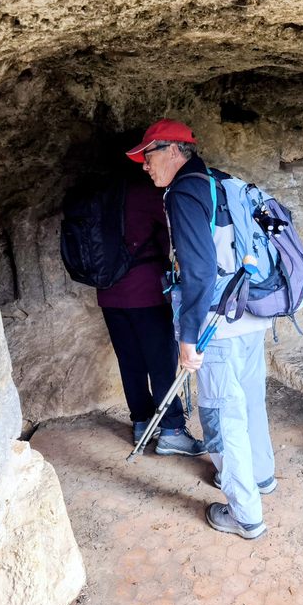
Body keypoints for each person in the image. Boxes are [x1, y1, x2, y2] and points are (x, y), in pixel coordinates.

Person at [126, 119, 276, 540]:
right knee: (249, 402)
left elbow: (198, 271)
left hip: (216, 326)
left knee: (221, 414)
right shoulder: (221, 181)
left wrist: (188, 338)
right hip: (248, 313)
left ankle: (245, 514)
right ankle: (261, 477)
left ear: (175, 151)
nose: (144, 166)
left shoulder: (185, 193)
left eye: (149, 155)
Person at [97, 165, 206, 457]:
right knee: (161, 363)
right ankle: (171, 430)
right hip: (147, 292)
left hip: (108, 294)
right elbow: (169, 238)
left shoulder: (103, 193)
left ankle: (142, 422)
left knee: (130, 361)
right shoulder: (150, 193)